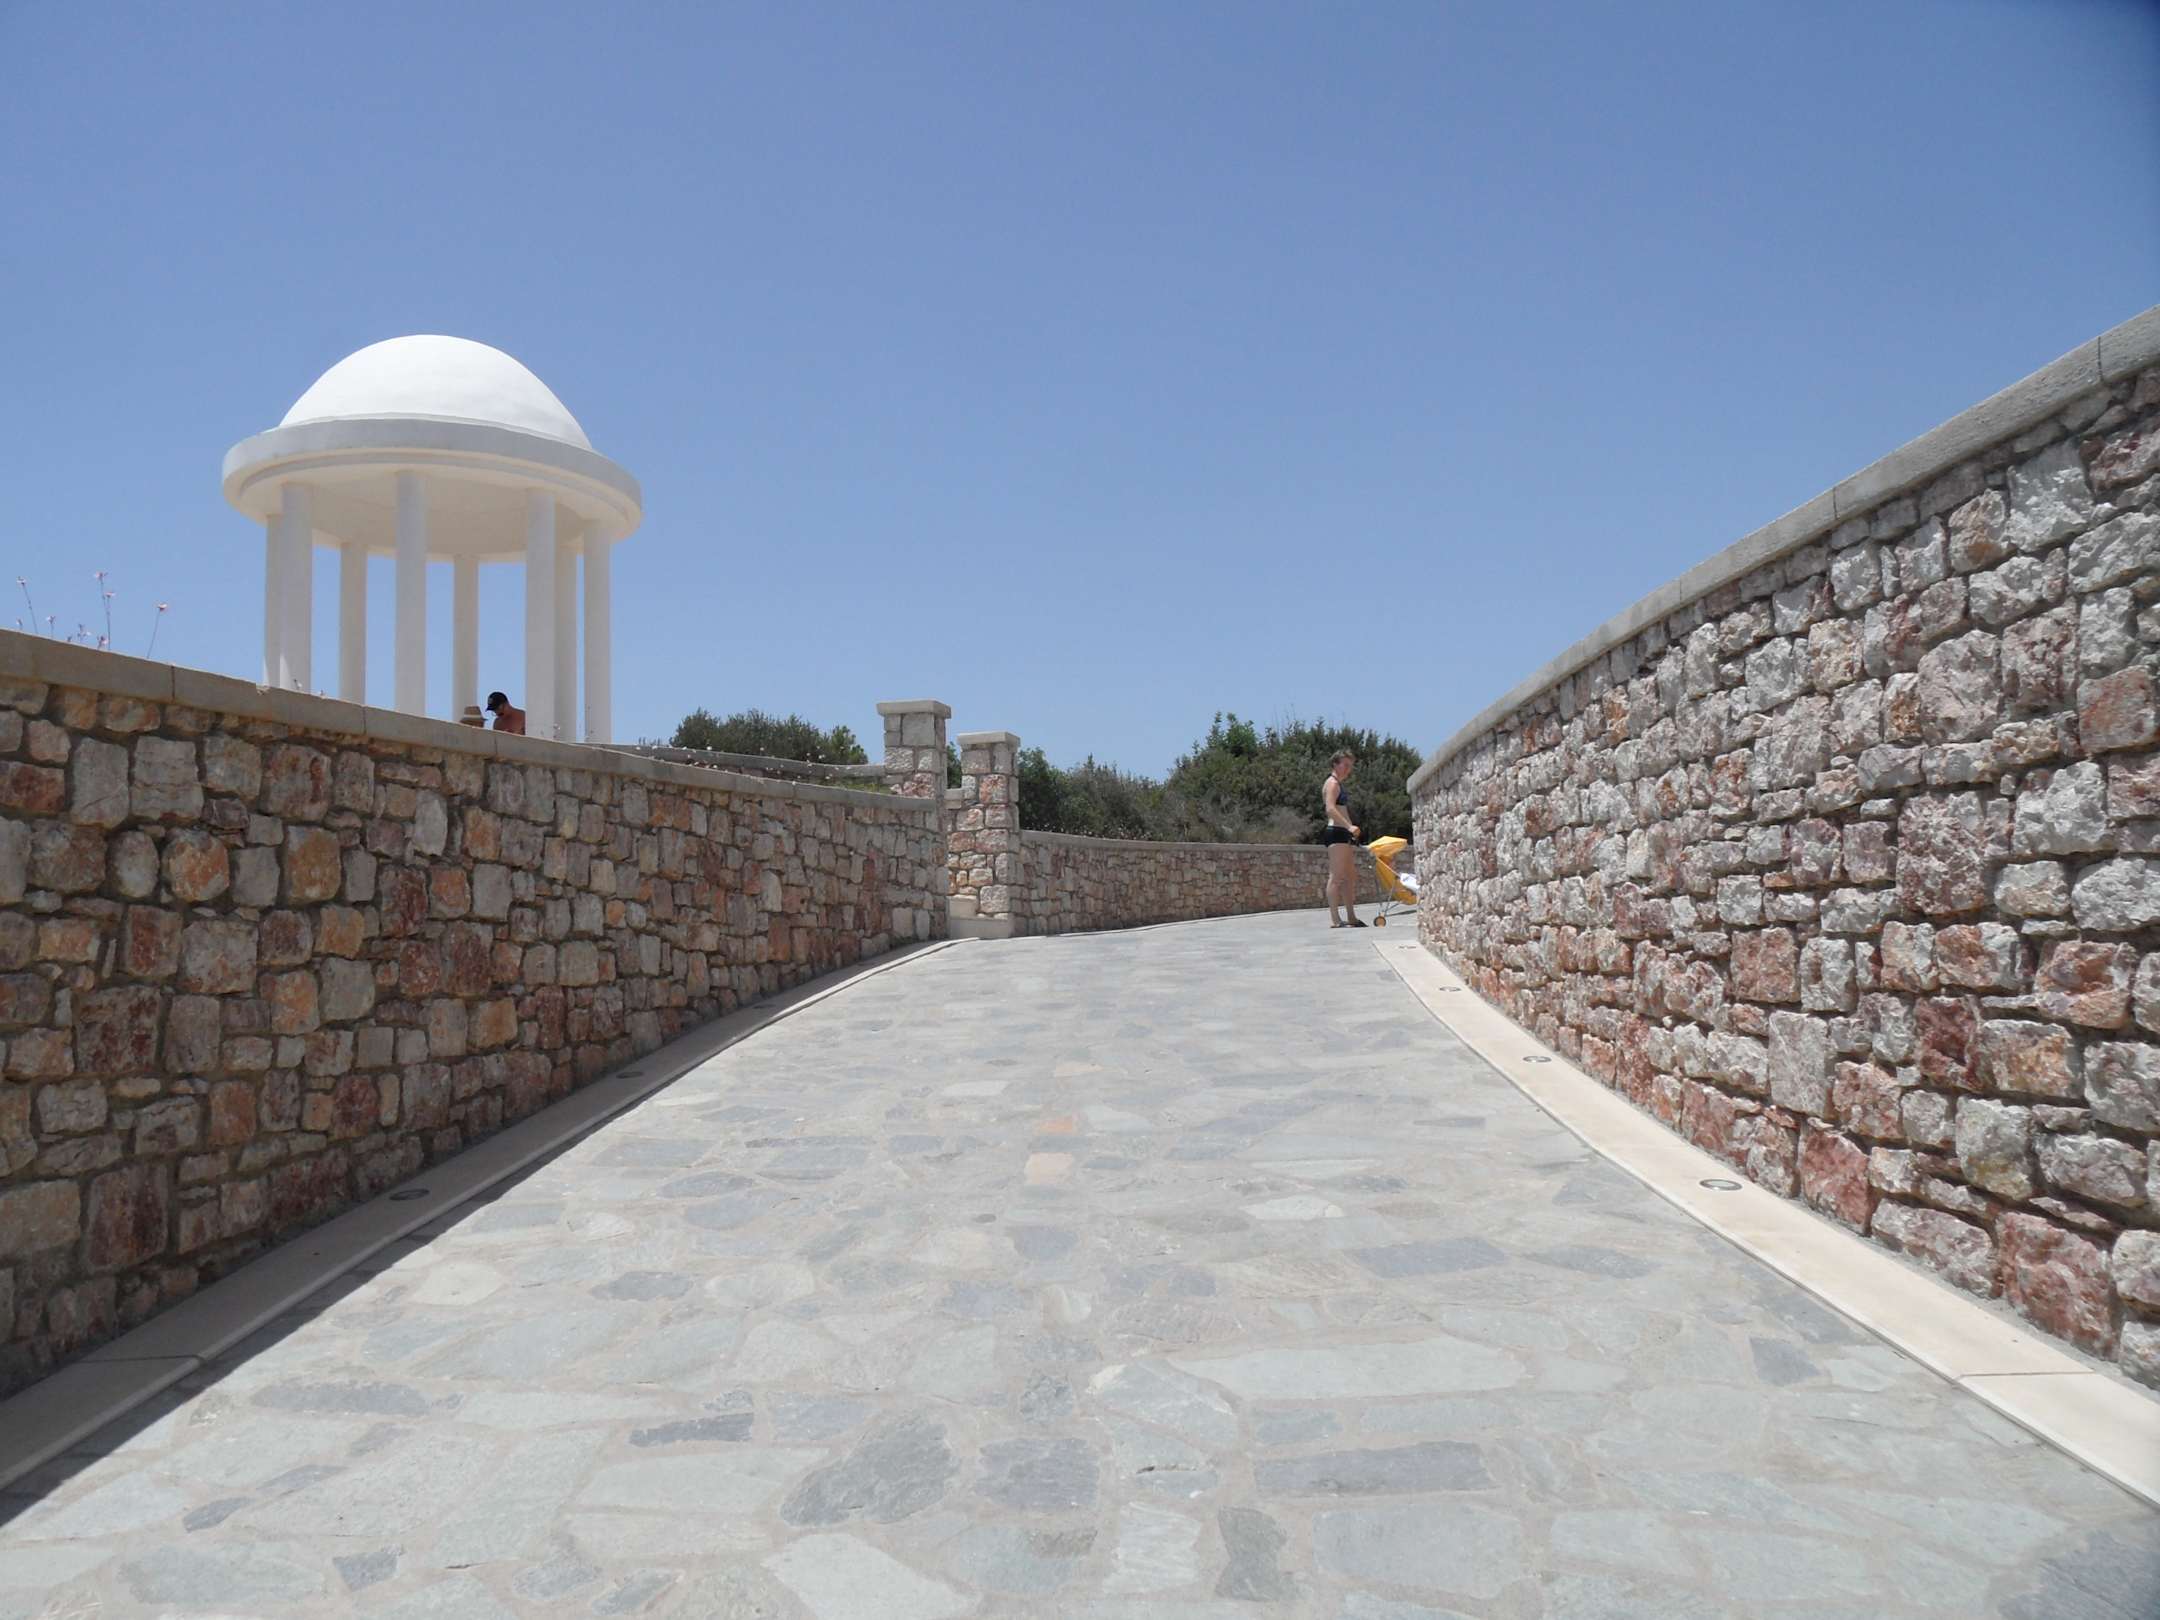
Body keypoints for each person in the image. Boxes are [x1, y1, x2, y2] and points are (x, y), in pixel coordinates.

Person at [1322, 750, 1363, 928]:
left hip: (1343, 833)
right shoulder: (1332, 783)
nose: (1348, 769)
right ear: (1335, 764)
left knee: (1349, 876)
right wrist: (1349, 826)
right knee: (1336, 876)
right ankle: (1335, 920)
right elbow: (1330, 809)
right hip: (1337, 832)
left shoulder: (1337, 783)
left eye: (1350, 766)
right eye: (1345, 765)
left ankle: (1351, 917)